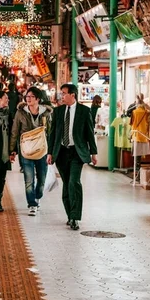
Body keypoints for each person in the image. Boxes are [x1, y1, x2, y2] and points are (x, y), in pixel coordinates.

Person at [47, 83, 98, 231]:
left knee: (74, 182)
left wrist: (93, 153)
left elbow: (89, 133)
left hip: (77, 152)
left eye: (64, 93)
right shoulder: (58, 111)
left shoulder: (84, 111)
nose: (61, 96)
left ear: (72, 95)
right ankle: (70, 214)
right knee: (66, 183)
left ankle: (75, 217)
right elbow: (53, 134)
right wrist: (50, 152)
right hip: (61, 152)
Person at [10, 86, 52, 216]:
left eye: (31, 97)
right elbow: (14, 132)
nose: (28, 99)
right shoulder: (21, 113)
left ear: (38, 99)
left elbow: (50, 133)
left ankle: (38, 195)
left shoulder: (46, 113)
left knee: (42, 178)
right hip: (26, 150)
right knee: (29, 179)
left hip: (42, 150)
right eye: (27, 97)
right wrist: (12, 150)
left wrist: (51, 151)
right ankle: (32, 204)